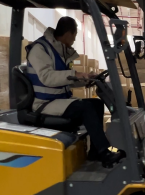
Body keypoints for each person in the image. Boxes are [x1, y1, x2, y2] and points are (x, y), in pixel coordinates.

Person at [25, 17, 125, 167]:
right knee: (86, 108)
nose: (74, 39)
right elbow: (47, 78)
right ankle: (105, 152)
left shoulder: (59, 51)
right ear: (69, 33)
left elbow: (65, 79)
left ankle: (96, 151)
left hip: (58, 99)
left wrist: (86, 79)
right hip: (44, 103)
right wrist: (76, 74)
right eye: (75, 35)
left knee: (97, 104)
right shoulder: (40, 49)